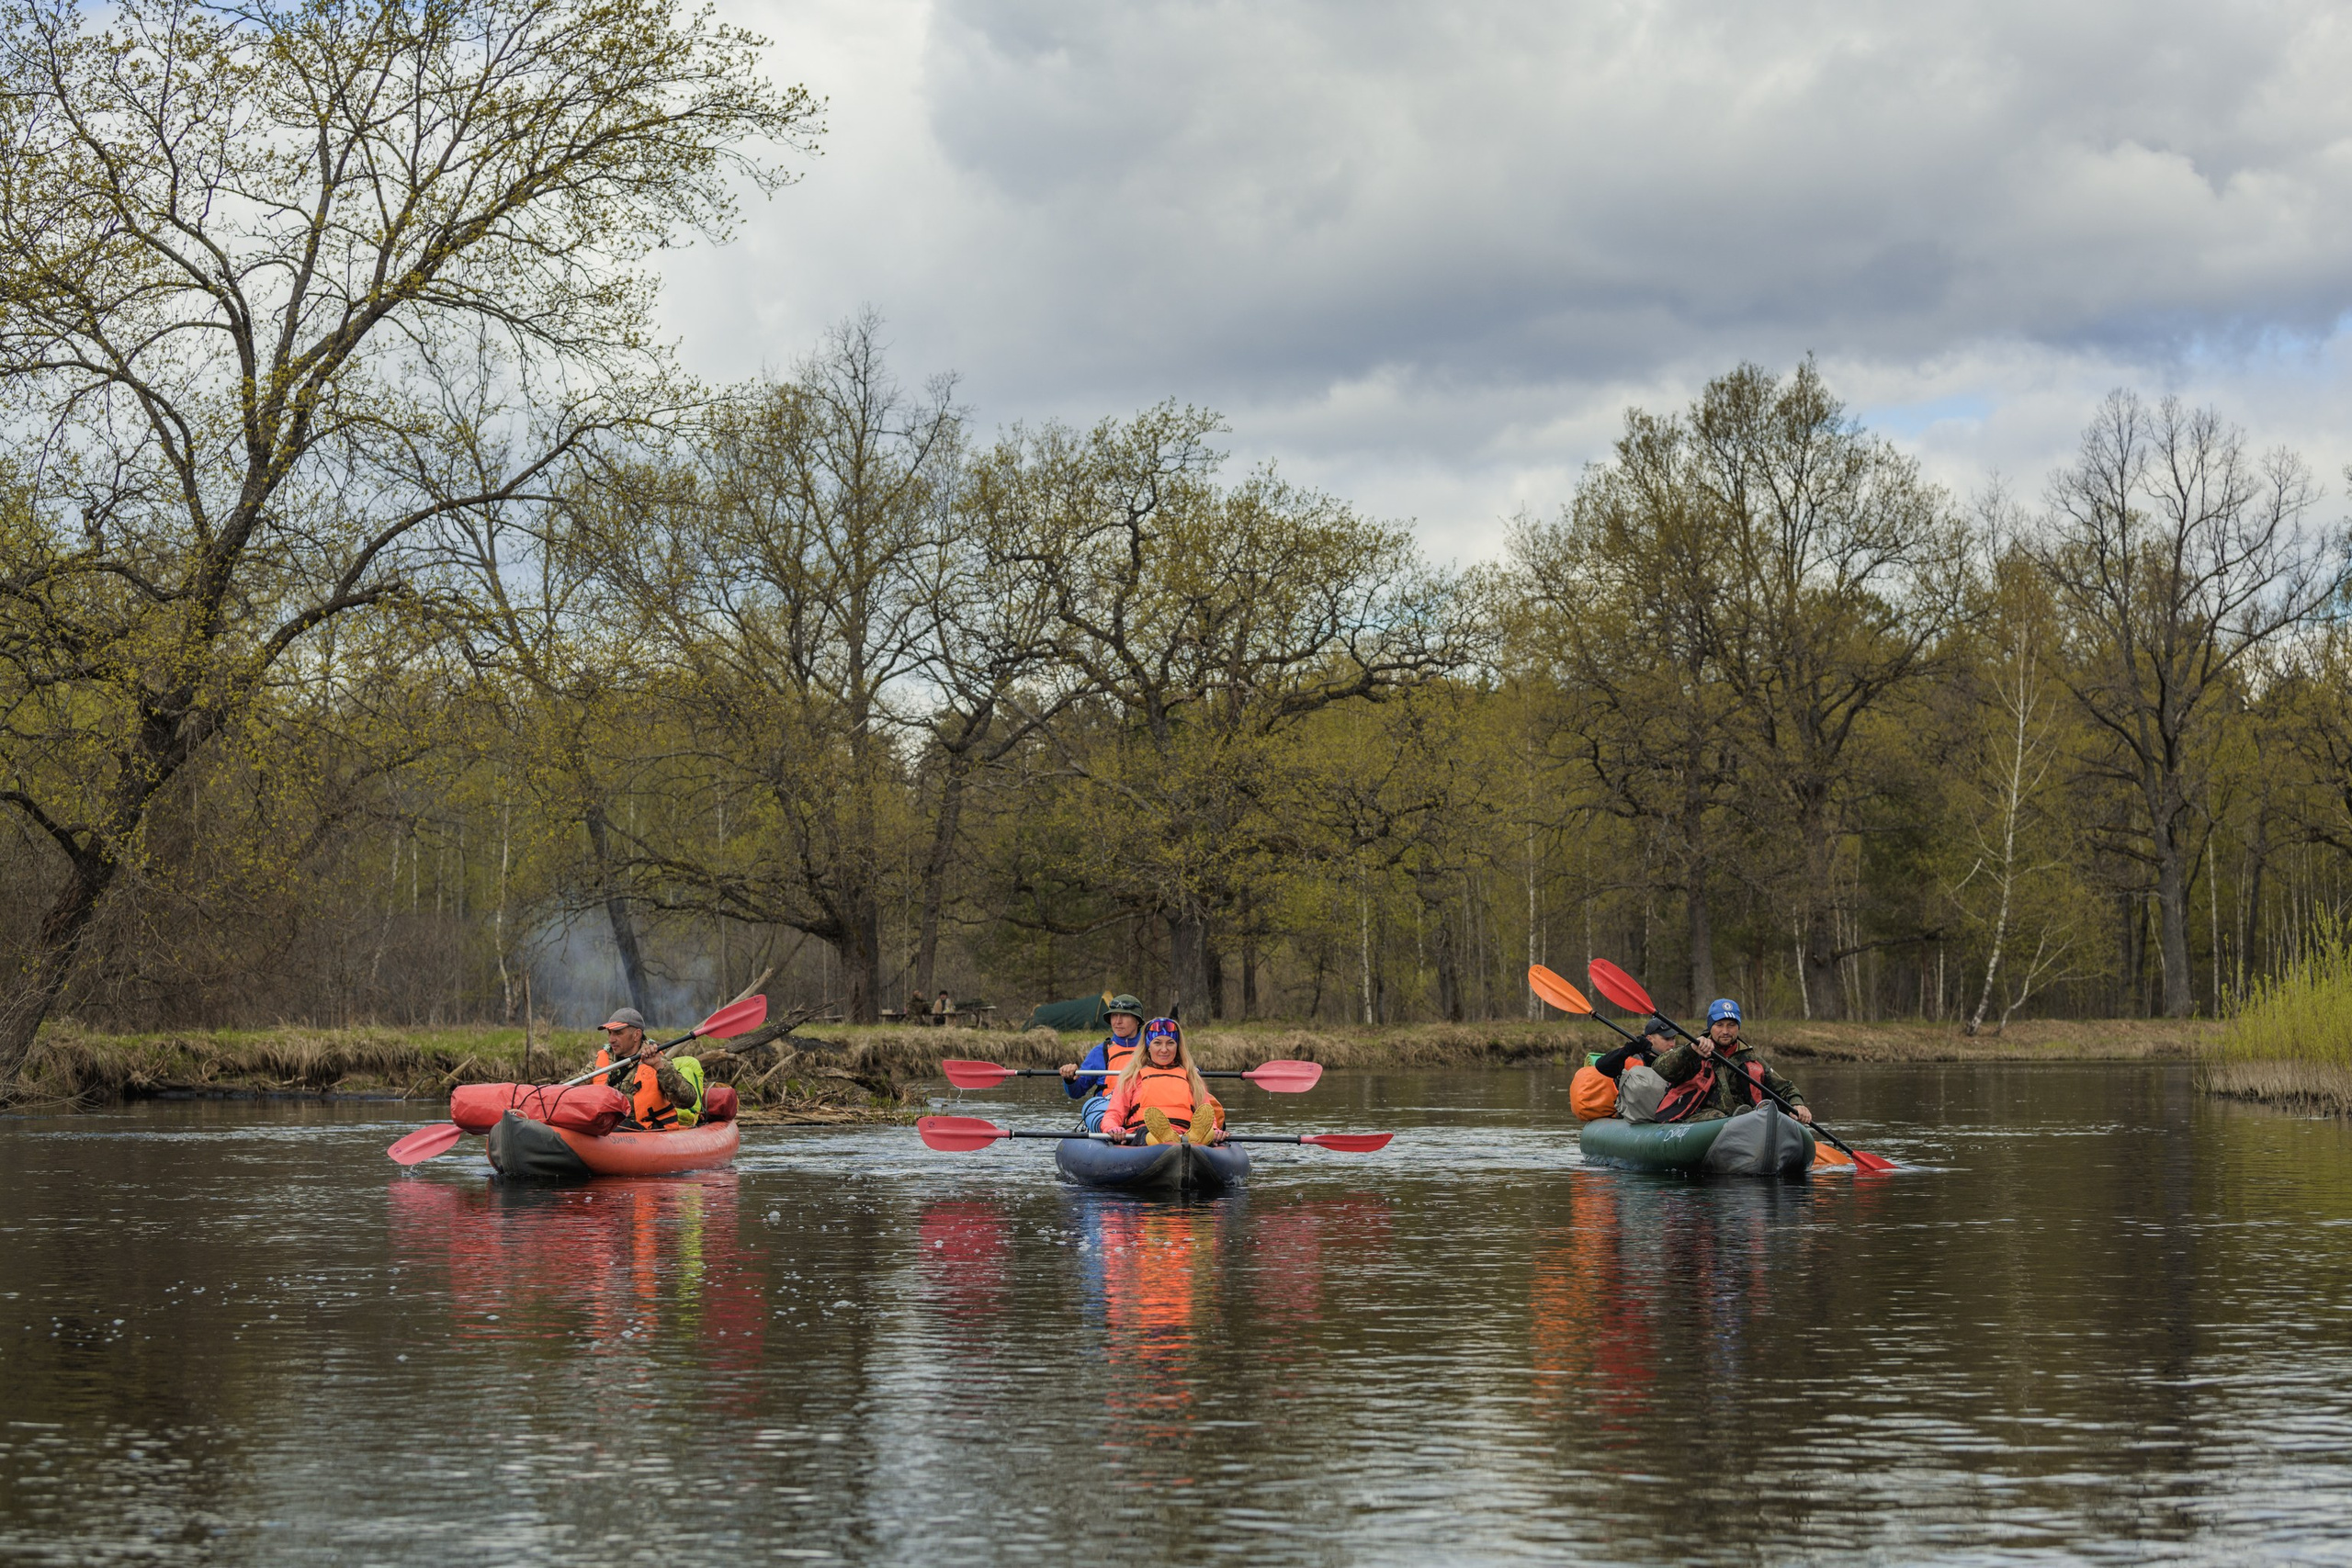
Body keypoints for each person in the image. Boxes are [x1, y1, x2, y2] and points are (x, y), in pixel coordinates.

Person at [1649, 998, 1810, 1125]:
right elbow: (1661, 1068)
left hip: (1745, 1120)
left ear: (1738, 1027)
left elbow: (1786, 1088)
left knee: (1757, 1114)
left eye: (1731, 1025)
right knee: (1722, 1117)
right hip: (1699, 1118)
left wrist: (1797, 1104)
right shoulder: (1695, 1049)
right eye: (1719, 1025)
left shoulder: (1750, 1056)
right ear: (1710, 1027)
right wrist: (1689, 1050)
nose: (1725, 1031)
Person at [1098, 1018, 1226, 1146]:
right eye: (1157, 1043)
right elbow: (1114, 1113)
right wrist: (1113, 1128)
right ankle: (1165, 1138)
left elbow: (1207, 1115)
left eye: (1170, 1043)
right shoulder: (1132, 1077)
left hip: (1185, 1135)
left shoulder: (1192, 1078)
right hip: (1144, 1135)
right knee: (1148, 1134)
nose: (1164, 1049)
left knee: (1203, 1131)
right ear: (1148, 1046)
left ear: (1178, 1046)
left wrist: (1214, 1130)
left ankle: (1195, 1138)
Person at [594, 1006, 706, 1130]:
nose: (611, 1039)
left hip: (646, 1128)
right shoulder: (602, 1058)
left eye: (618, 1033)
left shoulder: (658, 1060)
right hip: (607, 1124)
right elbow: (574, 1083)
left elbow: (688, 1100)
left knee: (617, 1127)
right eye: (610, 1033)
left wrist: (658, 1066)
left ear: (636, 1035)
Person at [1057, 994, 1146, 1133]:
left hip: (1142, 1113)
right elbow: (1076, 1092)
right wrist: (1069, 1079)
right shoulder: (1100, 1052)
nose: (1118, 1021)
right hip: (1107, 1113)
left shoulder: (1153, 1050)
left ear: (1137, 1021)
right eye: (1114, 1016)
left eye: (1124, 1016)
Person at [1567, 1015, 1675, 1122]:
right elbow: (1602, 1065)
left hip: (1662, 1113)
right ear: (1650, 1039)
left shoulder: (1676, 1060)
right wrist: (1630, 1048)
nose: (1672, 1044)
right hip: (1631, 1114)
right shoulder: (1630, 1058)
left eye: (1673, 1039)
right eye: (1666, 1039)